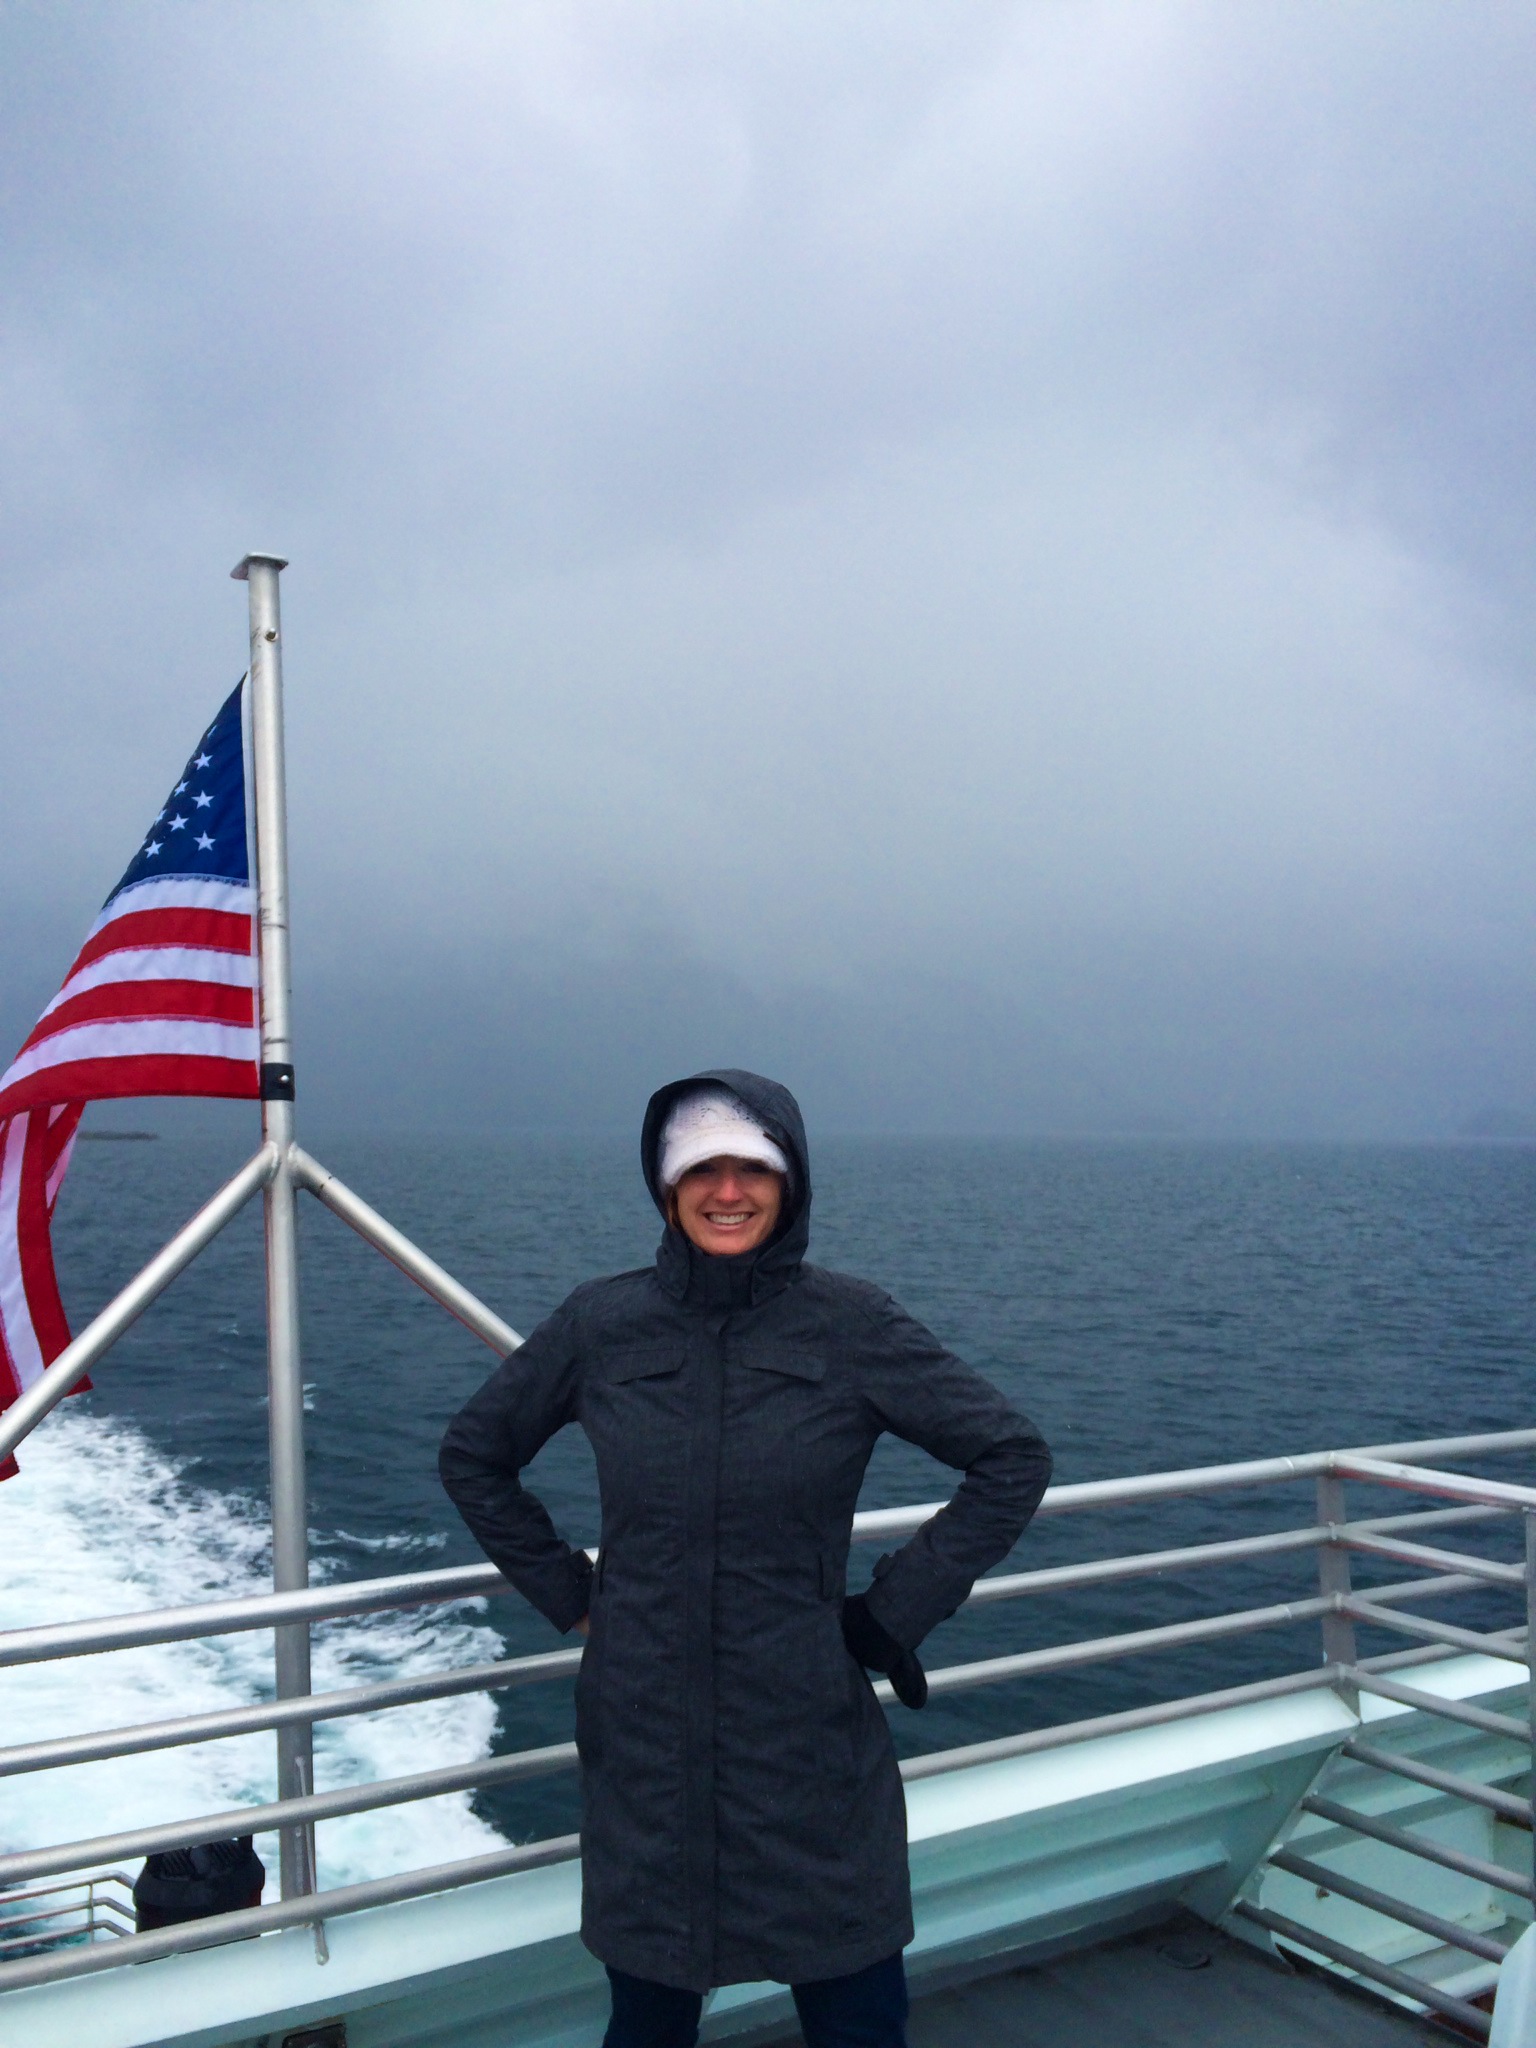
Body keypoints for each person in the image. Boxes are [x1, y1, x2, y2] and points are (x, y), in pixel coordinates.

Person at [439, 1069, 1052, 2048]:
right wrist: (571, 1593)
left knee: (856, 2016)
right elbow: (475, 1453)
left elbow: (1011, 1455)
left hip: (804, 1744)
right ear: (665, 1185)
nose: (729, 1190)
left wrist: (890, 1615)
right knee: (646, 2020)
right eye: (703, 1168)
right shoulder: (602, 1324)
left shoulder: (852, 1323)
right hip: (647, 1747)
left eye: (754, 1167)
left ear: (792, 1180)